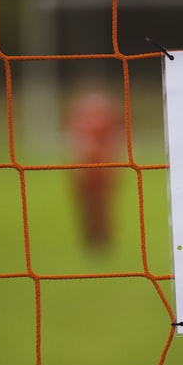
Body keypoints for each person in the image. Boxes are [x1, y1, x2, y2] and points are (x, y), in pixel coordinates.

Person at [65, 83, 123, 251]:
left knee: (103, 204)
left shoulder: (107, 120)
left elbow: (117, 139)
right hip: (90, 170)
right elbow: (75, 143)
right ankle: (93, 237)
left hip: (102, 169)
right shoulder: (82, 122)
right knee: (89, 205)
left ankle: (102, 237)